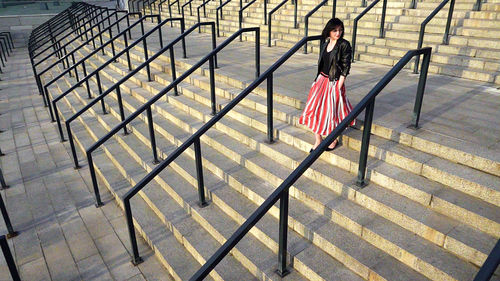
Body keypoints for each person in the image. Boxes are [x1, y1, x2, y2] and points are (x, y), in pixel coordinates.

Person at [298, 18, 355, 152]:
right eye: (334, 30)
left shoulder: (344, 45)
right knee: (313, 109)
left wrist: (338, 86)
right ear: (328, 31)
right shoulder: (324, 44)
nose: (338, 33)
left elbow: (346, 67)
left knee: (330, 112)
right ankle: (318, 140)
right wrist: (316, 80)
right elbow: (322, 64)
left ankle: (333, 138)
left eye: (340, 30)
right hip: (321, 80)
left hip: (333, 82)